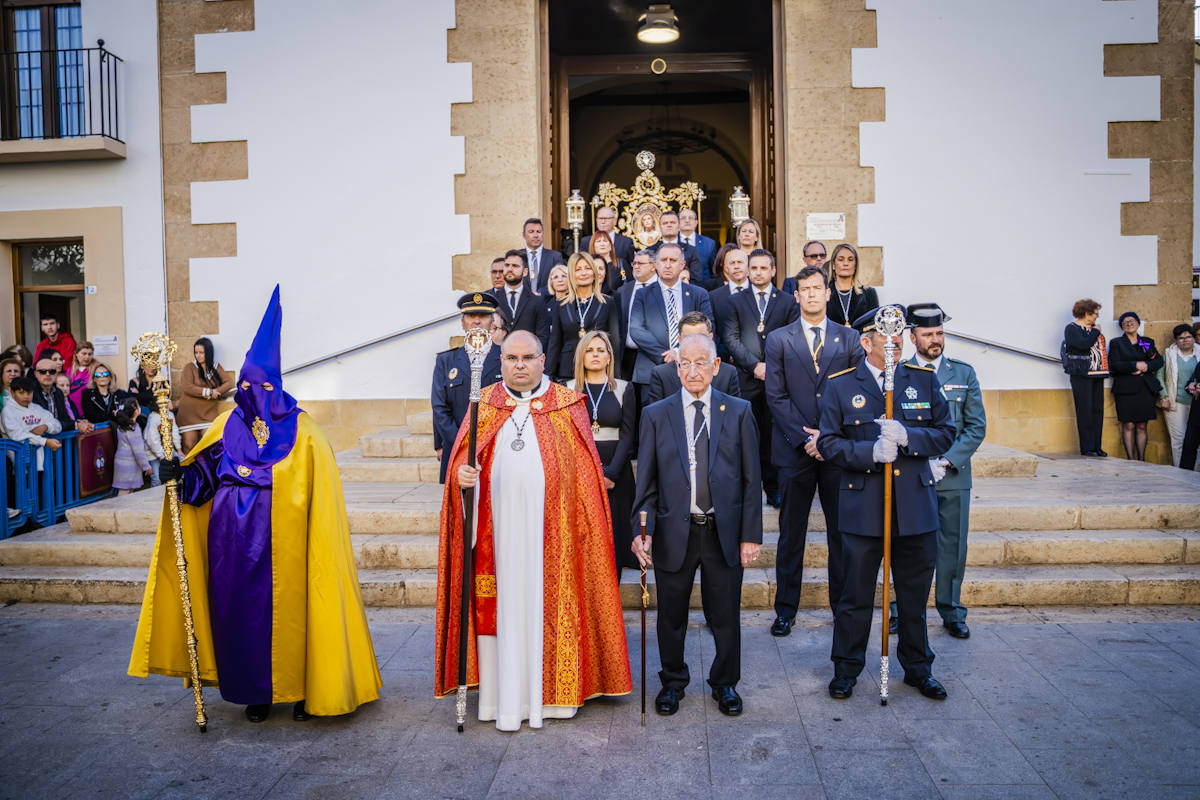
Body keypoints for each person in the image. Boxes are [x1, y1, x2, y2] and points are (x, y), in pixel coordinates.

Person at [131, 286, 381, 722]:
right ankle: (256, 694)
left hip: (289, 545)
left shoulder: (306, 432)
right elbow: (201, 482)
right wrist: (178, 474)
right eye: (245, 384)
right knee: (241, 619)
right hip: (231, 547)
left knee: (300, 616)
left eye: (261, 384)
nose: (252, 392)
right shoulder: (227, 424)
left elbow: (320, 498)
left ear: (277, 385)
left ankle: (306, 692)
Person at [435, 330, 632, 731]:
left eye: (528, 358)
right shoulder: (482, 407)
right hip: (498, 542)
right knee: (500, 609)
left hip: (554, 539)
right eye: (511, 358)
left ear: (543, 360)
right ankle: (499, 699)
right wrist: (463, 477)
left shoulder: (567, 406)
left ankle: (556, 699)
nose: (519, 365)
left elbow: (586, 483)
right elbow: (460, 468)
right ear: (501, 362)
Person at [818, 307, 955, 701]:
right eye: (886, 340)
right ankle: (846, 668)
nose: (894, 346)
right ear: (866, 342)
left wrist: (910, 436)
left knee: (913, 596)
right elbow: (828, 442)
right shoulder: (843, 385)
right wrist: (869, 452)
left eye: (899, 339)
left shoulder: (923, 380)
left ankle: (918, 668)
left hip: (913, 507)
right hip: (863, 511)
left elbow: (946, 432)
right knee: (855, 596)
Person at [632, 333, 762, 717]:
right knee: (671, 616)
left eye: (700, 362)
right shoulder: (656, 414)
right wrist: (643, 532)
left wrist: (750, 536)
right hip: (676, 529)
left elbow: (752, 479)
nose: (692, 371)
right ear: (676, 368)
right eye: (684, 363)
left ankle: (725, 684)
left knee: (725, 615)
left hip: (723, 530)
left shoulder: (738, 411)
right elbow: (647, 483)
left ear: (716, 366)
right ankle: (673, 683)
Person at [764, 265, 862, 635]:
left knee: (841, 533)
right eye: (804, 289)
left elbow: (857, 396)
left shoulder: (849, 339)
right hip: (794, 451)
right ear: (797, 295)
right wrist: (806, 438)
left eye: (816, 288)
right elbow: (776, 396)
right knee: (792, 534)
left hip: (837, 451)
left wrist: (828, 437)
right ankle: (786, 609)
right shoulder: (779, 340)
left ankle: (842, 606)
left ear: (827, 292)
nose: (810, 294)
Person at [904, 304, 986, 639]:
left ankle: (951, 610)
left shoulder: (963, 374)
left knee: (953, 546)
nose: (935, 340)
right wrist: (922, 460)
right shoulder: (901, 371)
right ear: (913, 337)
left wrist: (947, 461)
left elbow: (975, 427)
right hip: (911, 475)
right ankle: (901, 610)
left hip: (952, 476)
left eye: (939, 333)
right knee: (906, 546)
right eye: (927, 334)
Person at [723, 248, 798, 508]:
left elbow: (792, 337)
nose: (757, 272)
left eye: (763, 268)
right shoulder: (735, 300)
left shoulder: (788, 301)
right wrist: (755, 365)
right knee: (747, 437)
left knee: (774, 436)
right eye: (753, 268)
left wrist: (772, 367)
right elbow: (731, 339)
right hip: (746, 380)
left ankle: (774, 486)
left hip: (779, 381)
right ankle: (749, 489)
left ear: (773, 271)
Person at [566, 331, 638, 577]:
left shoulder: (624, 389)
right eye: (589, 350)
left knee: (614, 537)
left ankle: (612, 601)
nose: (595, 355)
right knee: (583, 537)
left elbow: (628, 436)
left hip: (616, 473)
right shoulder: (567, 390)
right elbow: (567, 438)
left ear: (609, 356)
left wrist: (611, 474)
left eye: (600, 350)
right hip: (580, 473)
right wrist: (589, 474)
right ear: (581, 356)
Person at [431, 293, 504, 483]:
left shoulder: (507, 358)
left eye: (483, 316)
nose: (477, 321)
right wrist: (462, 443)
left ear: (492, 323)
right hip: (457, 448)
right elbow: (440, 408)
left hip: (497, 448)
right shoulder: (446, 361)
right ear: (463, 323)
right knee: (459, 509)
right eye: (471, 316)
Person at [629, 242, 714, 399]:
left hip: (692, 371)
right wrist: (666, 356)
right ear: (655, 265)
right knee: (653, 421)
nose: (667, 265)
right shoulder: (643, 294)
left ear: (682, 265)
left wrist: (678, 352)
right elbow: (636, 329)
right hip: (651, 370)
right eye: (663, 260)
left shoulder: (699, 294)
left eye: (673, 261)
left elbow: (708, 329)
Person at [547, 253, 620, 382]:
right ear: (572, 275)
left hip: (598, 371)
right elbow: (555, 342)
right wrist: (548, 375)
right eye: (578, 269)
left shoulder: (608, 302)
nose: (583, 273)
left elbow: (614, 342)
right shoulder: (561, 305)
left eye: (587, 268)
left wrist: (615, 376)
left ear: (593, 272)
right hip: (568, 370)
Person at [646, 312, 741, 403]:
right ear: (679, 339)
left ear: (711, 337)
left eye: (701, 336)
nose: (695, 342)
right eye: (689, 337)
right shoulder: (661, 375)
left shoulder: (728, 374)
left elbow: (735, 414)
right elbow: (656, 416)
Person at [1108, 311, 1164, 461]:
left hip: (1145, 389)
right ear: (1122, 327)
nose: (1129, 323)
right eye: (1125, 322)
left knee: (1141, 425)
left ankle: (1141, 459)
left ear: (1138, 323)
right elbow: (1114, 365)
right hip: (1125, 390)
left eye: (1132, 321)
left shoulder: (1146, 341)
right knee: (1129, 425)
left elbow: (1159, 361)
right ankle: (1131, 460)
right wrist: (1134, 365)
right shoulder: (1116, 343)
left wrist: (1146, 365)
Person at [1064, 298, 1109, 456]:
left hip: (1098, 373)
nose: (1097, 316)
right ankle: (1088, 447)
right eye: (1095, 313)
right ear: (1086, 313)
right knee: (1085, 410)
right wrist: (1096, 332)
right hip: (1082, 374)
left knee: (1097, 410)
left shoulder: (1093, 329)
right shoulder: (1072, 329)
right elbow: (1083, 344)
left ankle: (1097, 446)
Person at [177, 337, 235, 453]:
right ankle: (188, 471)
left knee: (210, 444)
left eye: (201, 353)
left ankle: (209, 471)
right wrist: (208, 392)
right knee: (189, 446)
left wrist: (217, 391)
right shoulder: (190, 367)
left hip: (208, 414)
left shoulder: (215, 366)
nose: (198, 356)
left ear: (208, 352)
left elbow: (229, 383)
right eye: (196, 352)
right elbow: (187, 387)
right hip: (188, 415)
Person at [491, 250, 551, 353]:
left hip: (527, 359)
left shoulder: (537, 301)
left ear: (525, 272)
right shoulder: (492, 300)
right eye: (507, 265)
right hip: (498, 361)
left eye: (515, 266)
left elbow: (542, 336)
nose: (510, 269)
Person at [1156, 324, 1197, 466]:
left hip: (1197, 403)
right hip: (1176, 402)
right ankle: (1180, 471)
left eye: (1188, 337)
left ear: (1194, 338)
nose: (1185, 340)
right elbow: (1160, 376)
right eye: (1180, 338)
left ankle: (1196, 472)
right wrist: (1164, 396)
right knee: (1178, 440)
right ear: (1175, 340)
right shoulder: (1168, 354)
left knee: (1196, 440)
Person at [614, 249, 657, 381]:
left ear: (653, 266)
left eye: (641, 263)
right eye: (634, 263)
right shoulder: (622, 291)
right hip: (626, 357)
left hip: (653, 357)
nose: (636, 266)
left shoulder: (663, 288)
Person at [2, 376, 62, 469]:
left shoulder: (36, 408)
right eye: (21, 393)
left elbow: (57, 425)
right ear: (12, 393)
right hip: (19, 465)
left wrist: (46, 427)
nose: (26, 396)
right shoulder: (8, 411)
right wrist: (45, 441)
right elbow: (17, 435)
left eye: (29, 392)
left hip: (41, 464)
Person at [707, 244, 750, 364]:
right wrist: (727, 355)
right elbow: (712, 331)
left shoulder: (759, 293)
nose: (736, 266)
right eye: (732, 263)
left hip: (759, 363)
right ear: (726, 268)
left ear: (748, 266)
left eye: (740, 262)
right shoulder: (714, 297)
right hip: (726, 361)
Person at [30, 356, 92, 434]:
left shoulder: (58, 392)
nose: (47, 374)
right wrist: (76, 425)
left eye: (52, 371)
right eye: (43, 372)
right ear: (36, 374)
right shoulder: (30, 392)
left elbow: (63, 418)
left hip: (56, 441)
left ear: (56, 374)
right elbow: (40, 424)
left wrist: (80, 423)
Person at [826, 244, 878, 326]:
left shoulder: (869, 293)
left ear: (855, 265)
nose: (846, 263)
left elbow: (873, 325)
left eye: (850, 260)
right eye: (841, 259)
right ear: (833, 265)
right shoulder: (824, 293)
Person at [111, 398, 150, 496]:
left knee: (126, 490)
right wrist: (146, 466)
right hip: (129, 465)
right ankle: (120, 510)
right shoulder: (133, 429)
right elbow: (138, 451)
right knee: (125, 492)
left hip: (121, 462)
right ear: (136, 411)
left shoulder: (122, 426)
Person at [647, 210, 702, 279]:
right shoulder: (650, 251)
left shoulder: (691, 250)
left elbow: (697, 278)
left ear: (679, 227)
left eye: (672, 223)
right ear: (660, 227)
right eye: (665, 223)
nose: (669, 225)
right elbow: (647, 277)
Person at [521, 217, 564, 293]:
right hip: (522, 302)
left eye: (539, 231)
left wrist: (541, 293)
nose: (536, 235)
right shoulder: (517, 257)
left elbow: (559, 282)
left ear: (543, 234)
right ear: (524, 235)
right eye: (531, 232)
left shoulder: (555, 257)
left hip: (547, 302)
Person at [143, 405, 181, 487]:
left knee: (180, 466)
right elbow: (152, 441)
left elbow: (174, 432)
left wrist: (179, 449)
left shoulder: (170, 415)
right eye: (168, 399)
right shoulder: (153, 418)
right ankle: (155, 498)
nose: (170, 402)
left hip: (169, 450)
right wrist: (162, 457)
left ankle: (175, 495)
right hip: (153, 454)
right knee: (157, 479)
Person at [678, 207, 717, 287]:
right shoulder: (671, 243)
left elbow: (715, 271)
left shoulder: (709, 244)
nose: (687, 220)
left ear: (696, 222)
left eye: (691, 218)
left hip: (703, 290)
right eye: (683, 218)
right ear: (678, 223)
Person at [1179, 362, 1200, 470]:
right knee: (1188, 446)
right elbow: (1190, 383)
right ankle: (1183, 479)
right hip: (1196, 414)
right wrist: (1191, 385)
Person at [65, 341, 93, 416]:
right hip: (73, 410)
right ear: (76, 354)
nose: (87, 357)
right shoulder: (70, 370)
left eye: (89, 354)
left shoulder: (94, 370)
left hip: (89, 410)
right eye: (84, 354)